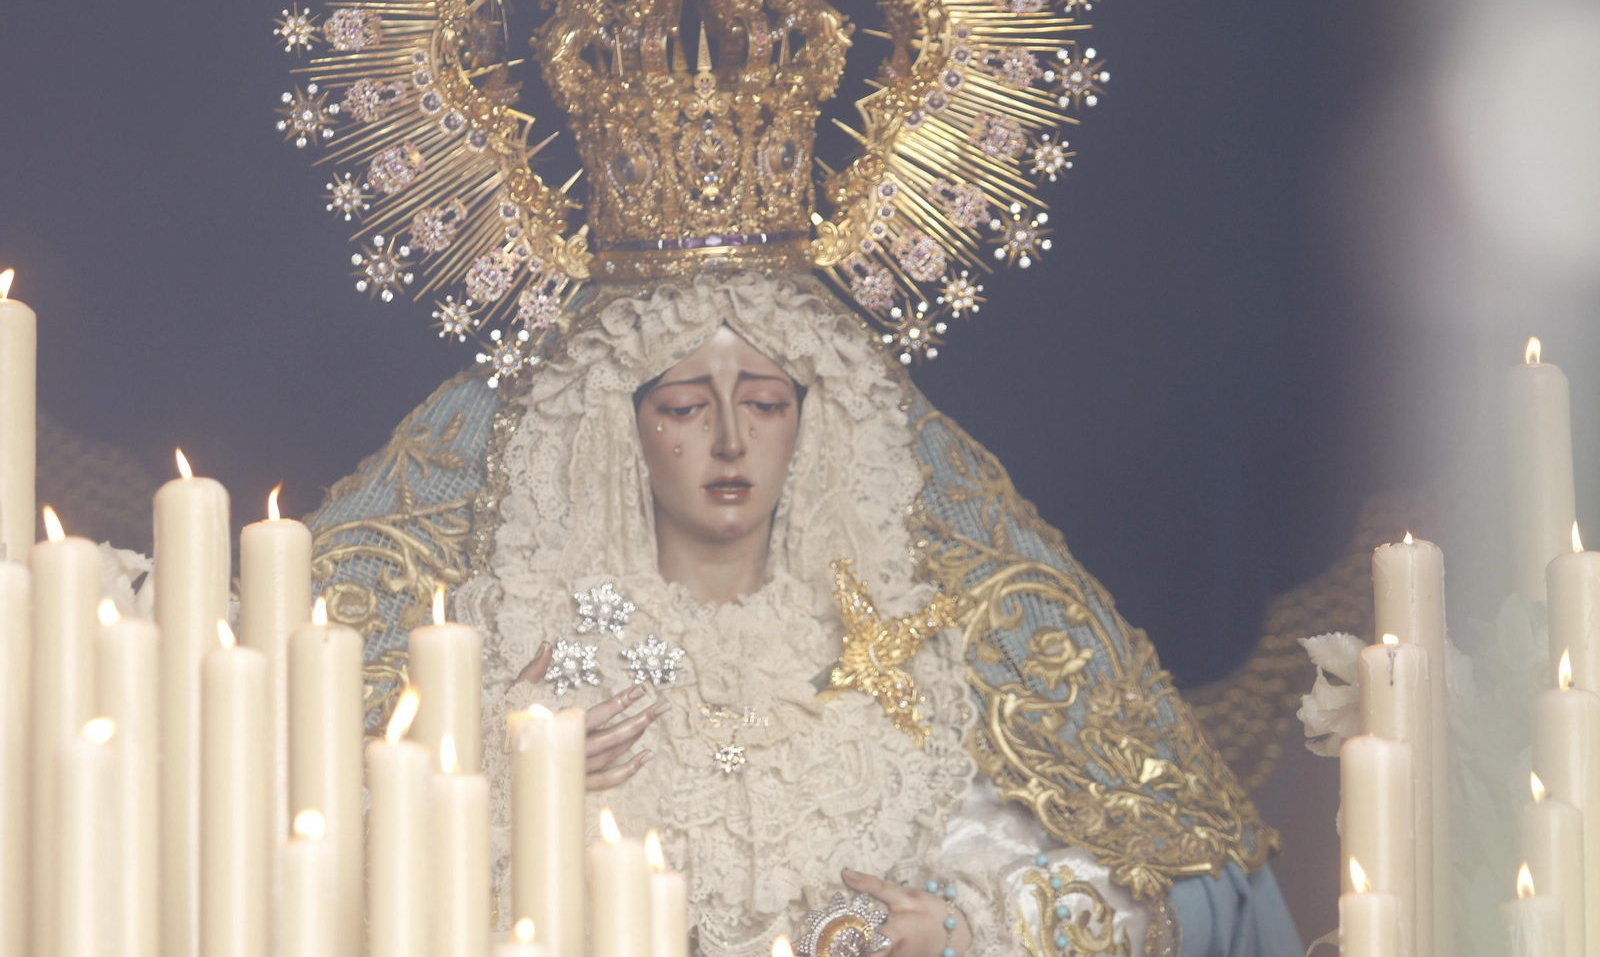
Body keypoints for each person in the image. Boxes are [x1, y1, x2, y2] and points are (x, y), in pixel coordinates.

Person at [308, 272, 1303, 957]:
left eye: (768, 401)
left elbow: (1126, 882)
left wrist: (960, 928)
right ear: (625, 430)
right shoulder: (538, 675)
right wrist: (493, 785)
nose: (732, 439)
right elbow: (337, 887)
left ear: (811, 424)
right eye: (687, 404)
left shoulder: (899, 659)